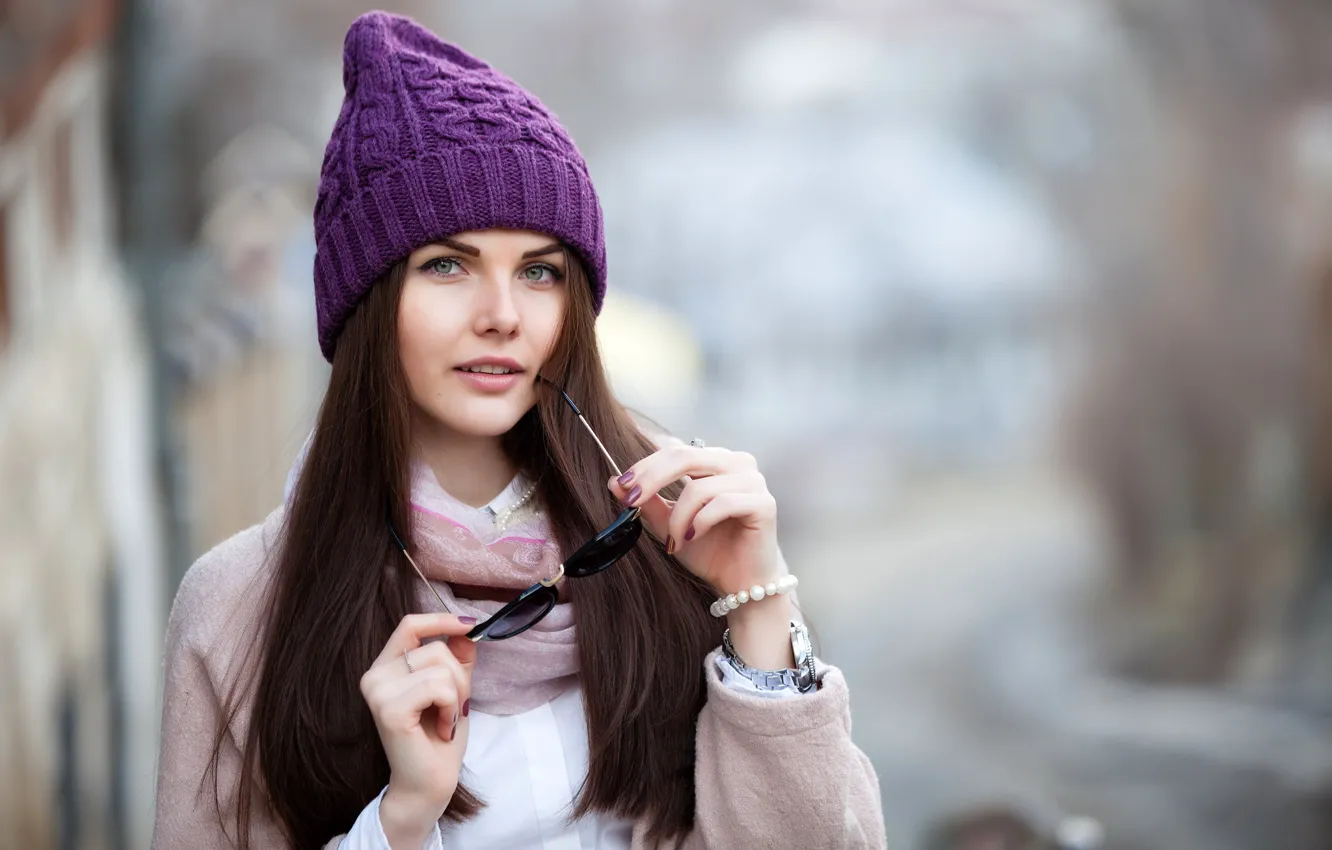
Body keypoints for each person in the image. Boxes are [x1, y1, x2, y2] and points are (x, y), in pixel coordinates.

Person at [151, 10, 885, 850]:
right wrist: (397, 823)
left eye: (539, 271)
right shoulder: (241, 610)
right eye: (448, 266)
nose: (501, 316)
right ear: (366, 304)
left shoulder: (680, 541)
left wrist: (757, 608)